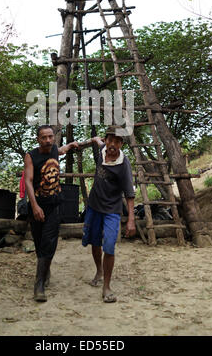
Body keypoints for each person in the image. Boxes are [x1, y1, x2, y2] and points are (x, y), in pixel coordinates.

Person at [24, 125, 78, 302]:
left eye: (50, 137)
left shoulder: (54, 149)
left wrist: (72, 145)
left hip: (55, 204)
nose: (47, 140)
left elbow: (62, 150)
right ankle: (45, 271)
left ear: (53, 137)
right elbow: (28, 181)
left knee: (49, 242)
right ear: (38, 139)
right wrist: (34, 206)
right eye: (43, 137)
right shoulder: (31, 156)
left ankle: (38, 285)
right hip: (37, 206)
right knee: (40, 244)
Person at [82, 125, 136, 303]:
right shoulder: (102, 148)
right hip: (94, 205)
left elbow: (129, 194)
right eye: (110, 140)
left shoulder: (123, 165)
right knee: (94, 241)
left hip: (112, 209)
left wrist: (131, 221)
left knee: (110, 244)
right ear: (106, 141)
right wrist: (89, 141)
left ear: (121, 144)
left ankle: (106, 286)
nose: (112, 144)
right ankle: (99, 269)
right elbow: (97, 140)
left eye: (117, 141)